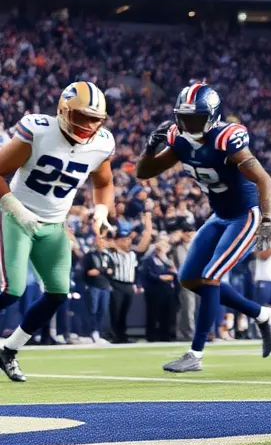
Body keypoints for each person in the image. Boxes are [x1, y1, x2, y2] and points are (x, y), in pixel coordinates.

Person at [135, 83, 271, 373]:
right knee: (189, 279)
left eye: (196, 118)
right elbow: (144, 172)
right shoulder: (178, 139)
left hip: (245, 215)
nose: (189, 125)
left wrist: (267, 220)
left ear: (213, 117)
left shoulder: (227, 138)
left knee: (211, 275)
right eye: (184, 118)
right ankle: (262, 315)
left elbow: (263, 178)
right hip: (219, 216)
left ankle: (195, 354)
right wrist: (151, 146)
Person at [0, 82, 116, 382]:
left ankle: (9, 350)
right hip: (16, 217)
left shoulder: (102, 143)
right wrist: (14, 207)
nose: (88, 125)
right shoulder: (38, 130)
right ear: (63, 111)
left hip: (54, 225)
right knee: (11, 290)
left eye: (95, 118)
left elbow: (103, 183)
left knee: (58, 293)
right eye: (82, 116)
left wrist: (101, 210)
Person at [139, 233, 179, 341]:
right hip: (154, 290)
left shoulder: (169, 260)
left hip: (167, 290)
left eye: (165, 245)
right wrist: (160, 277)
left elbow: (175, 272)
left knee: (166, 314)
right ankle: (151, 336)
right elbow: (147, 273)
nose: (163, 248)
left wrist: (173, 273)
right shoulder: (148, 260)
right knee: (153, 314)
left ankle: (165, 336)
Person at [81, 229, 115, 343]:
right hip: (93, 286)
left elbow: (112, 270)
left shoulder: (107, 256)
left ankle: (99, 332)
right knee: (93, 309)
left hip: (105, 286)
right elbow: (89, 272)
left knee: (103, 310)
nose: (101, 243)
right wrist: (102, 270)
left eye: (103, 241)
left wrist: (101, 270)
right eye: (99, 241)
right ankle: (92, 331)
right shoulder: (90, 256)